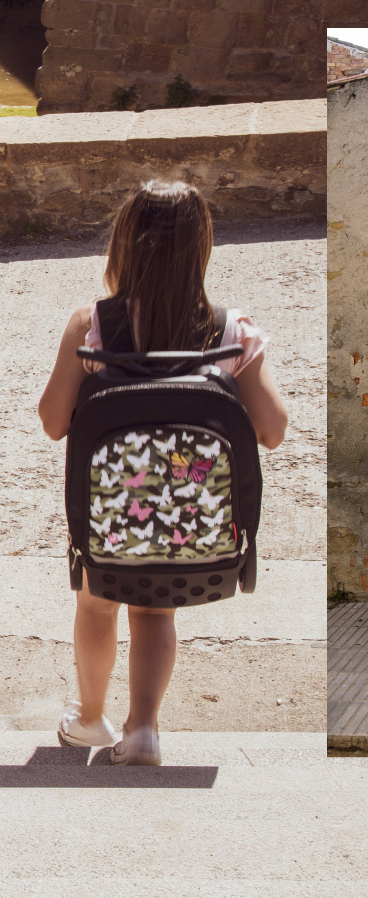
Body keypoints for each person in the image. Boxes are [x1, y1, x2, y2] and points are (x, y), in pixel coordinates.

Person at [38, 180, 289, 765]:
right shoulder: (231, 332)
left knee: (97, 603)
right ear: (202, 248)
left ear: (123, 244)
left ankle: (92, 717)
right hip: (189, 516)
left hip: (109, 512)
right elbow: (273, 431)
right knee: (155, 609)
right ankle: (144, 727)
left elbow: (54, 422)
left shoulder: (91, 326)